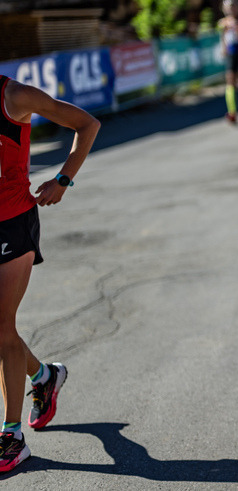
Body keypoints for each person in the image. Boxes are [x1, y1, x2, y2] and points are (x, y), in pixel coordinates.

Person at [0, 75, 100, 473]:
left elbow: (88, 124)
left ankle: (11, 436)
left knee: (3, 327)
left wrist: (63, 179)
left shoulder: (15, 96)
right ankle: (44, 376)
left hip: (12, 224)